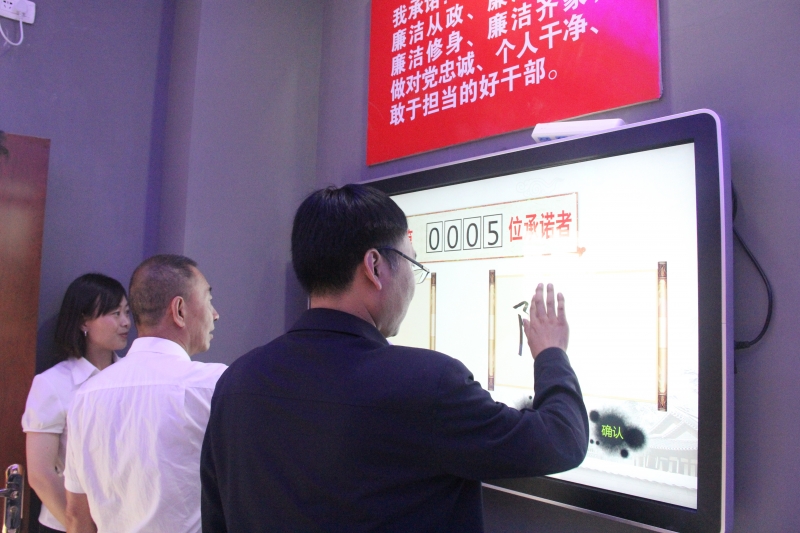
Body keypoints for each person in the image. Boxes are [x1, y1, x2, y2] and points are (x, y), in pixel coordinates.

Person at [201, 184, 589, 532]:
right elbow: (562, 440)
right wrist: (551, 353)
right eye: (412, 264)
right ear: (375, 267)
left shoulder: (236, 382)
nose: (413, 284)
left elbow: (217, 519)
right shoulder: (429, 383)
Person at [63, 254, 226, 533]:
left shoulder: (86, 395)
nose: (215, 314)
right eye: (208, 300)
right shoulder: (214, 386)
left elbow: (77, 515)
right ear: (179, 310)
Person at [21, 274, 130, 533]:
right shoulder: (53, 383)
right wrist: (78, 525)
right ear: (83, 321)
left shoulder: (133, 375)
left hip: (126, 521)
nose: (126, 322)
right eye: (115, 313)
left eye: (127, 312)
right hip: (66, 524)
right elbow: (41, 474)